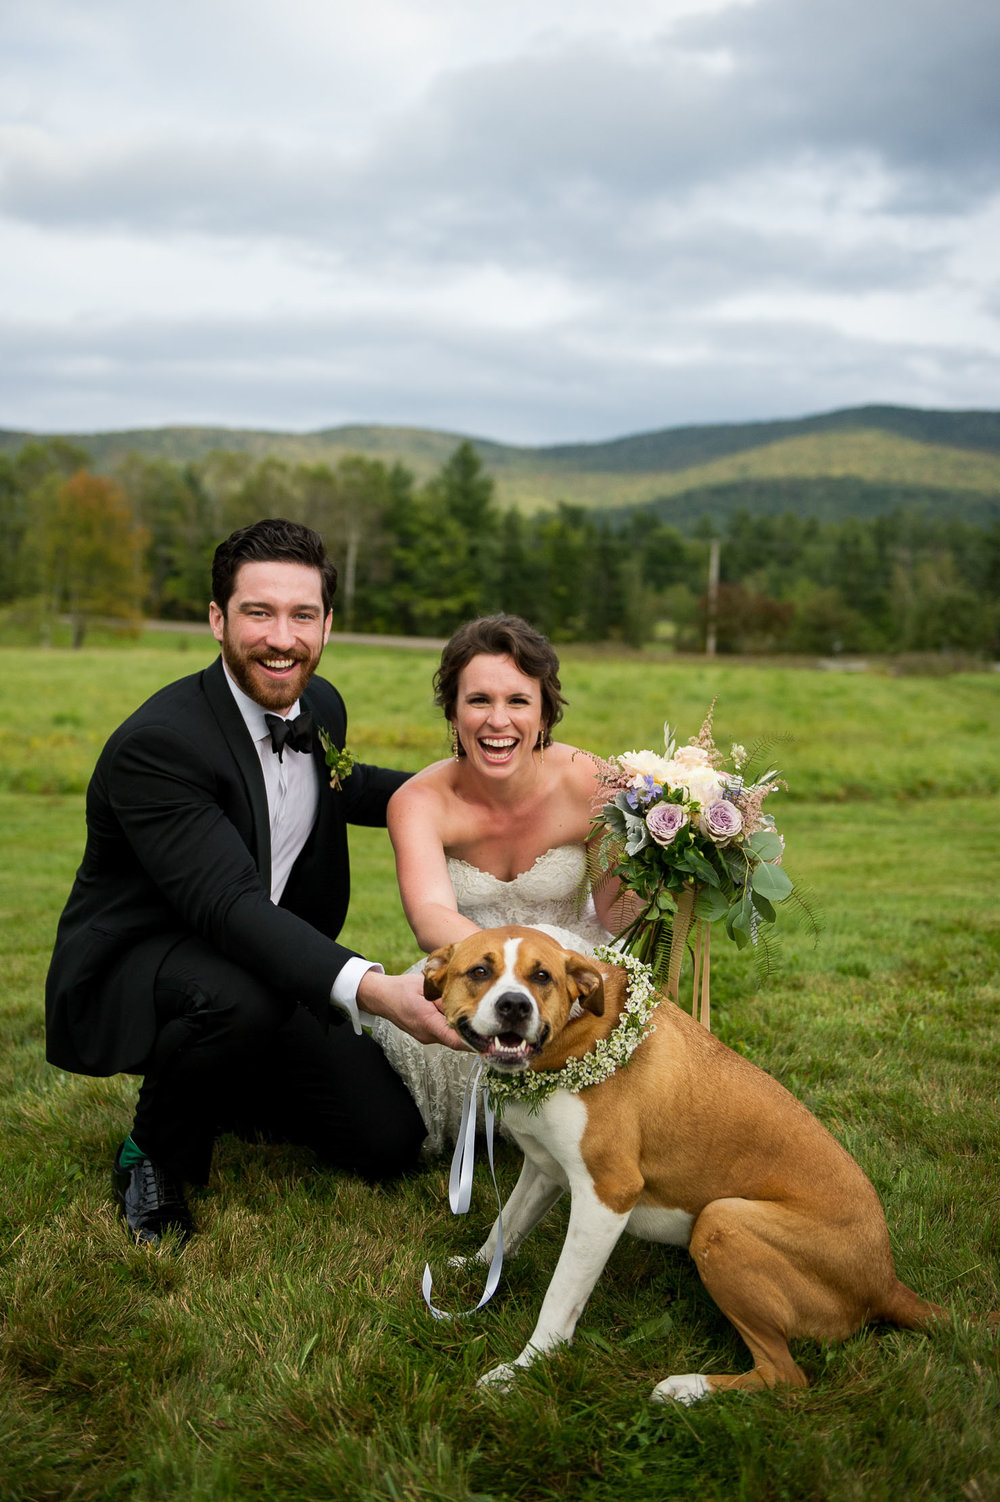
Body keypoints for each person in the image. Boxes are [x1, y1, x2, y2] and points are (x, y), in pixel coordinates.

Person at [45, 517, 462, 1246]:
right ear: (217, 619)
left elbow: (348, 784)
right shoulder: (161, 745)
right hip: (151, 958)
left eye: (302, 615)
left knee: (386, 1143)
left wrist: (484, 798)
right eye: (258, 613)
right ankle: (150, 1153)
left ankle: (229, 1082)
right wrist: (374, 990)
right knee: (239, 997)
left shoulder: (319, 704)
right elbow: (228, 905)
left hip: (261, 960)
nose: (282, 637)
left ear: (327, 624)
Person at [369, 614, 624, 1153]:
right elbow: (430, 918)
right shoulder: (417, 802)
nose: (497, 721)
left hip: (564, 968)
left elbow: (615, 914)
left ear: (545, 711)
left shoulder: (592, 782)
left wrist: (670, 863)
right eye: (478, 700)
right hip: (475, 970)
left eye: (518, 701)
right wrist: (499, 976)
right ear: (454, 711)